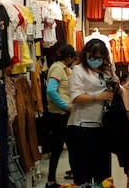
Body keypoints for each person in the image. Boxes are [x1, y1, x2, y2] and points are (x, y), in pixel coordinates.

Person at [66, 38, 121, 186]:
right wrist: (98, 97)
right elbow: (75, 97)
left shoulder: (107, 70)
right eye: (92, 57)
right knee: (83, 172)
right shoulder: (78, 71)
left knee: (102, 174)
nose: (96, 60)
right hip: (81, 127)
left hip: (103, 127)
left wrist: (117, 87)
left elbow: (118, 89)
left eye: (99, 58)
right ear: (86, 55)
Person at [45, 44, 76, 188]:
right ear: (69, 57)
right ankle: (51, 180)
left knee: (66, 146)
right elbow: (51, 90)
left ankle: (71, 176)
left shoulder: (64, 69)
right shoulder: (58, 68)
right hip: (59, 115)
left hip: (63, 114)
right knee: (59, 147)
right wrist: (66, 106)